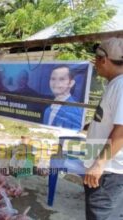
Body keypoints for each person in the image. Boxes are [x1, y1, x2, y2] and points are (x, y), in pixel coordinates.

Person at [83, 38, 123, 220]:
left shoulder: (121, 86)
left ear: (104, 60)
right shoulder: (115, 84)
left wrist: (99, 164)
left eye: (96, 58)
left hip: (108, 174)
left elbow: (121, 132)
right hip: (108, 172)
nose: (95, 63)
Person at [42, 65, 84, 130]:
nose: (56, 83)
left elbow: (74, 137)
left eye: (62, 79)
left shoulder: (76, 111)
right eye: (53, 79)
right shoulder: (47, 111)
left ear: (71, 83)